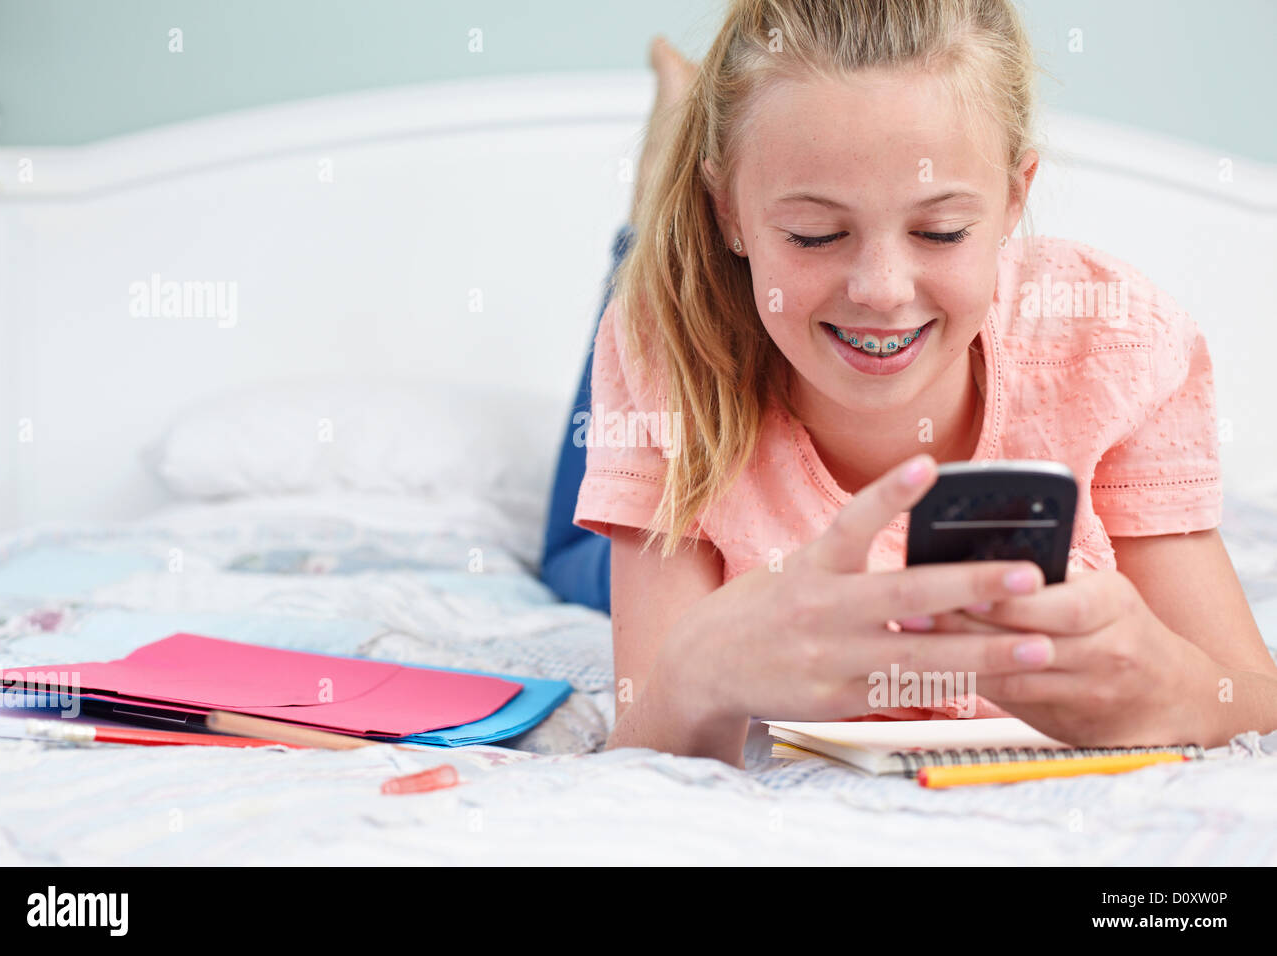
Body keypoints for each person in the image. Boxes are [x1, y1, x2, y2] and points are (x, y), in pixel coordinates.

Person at [540, 1, 1276, 769]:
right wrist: (697, 672)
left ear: (1014, 199)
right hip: (703, 343)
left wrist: (1181, 692)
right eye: (816, 235)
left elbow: (1251, 697)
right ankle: (656, 192)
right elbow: (647, 734)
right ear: (728, 210)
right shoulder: (664, 342)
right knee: (570, 558)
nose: (883, 291)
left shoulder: (1111, 341)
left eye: (941, 232)